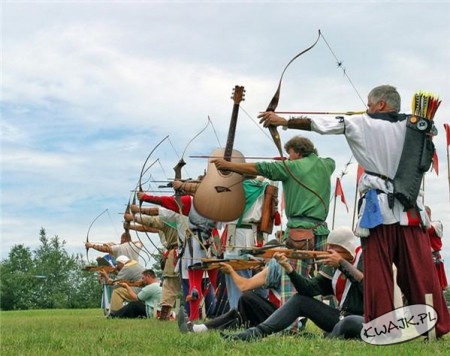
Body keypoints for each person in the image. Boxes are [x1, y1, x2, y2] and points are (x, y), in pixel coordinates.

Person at [258, 84, 450, 338]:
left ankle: (383, 329)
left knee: (379, 273)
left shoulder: (362, 123)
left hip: (379, 212)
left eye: (370, 103)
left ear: (381, 104)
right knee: (419, 270)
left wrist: (284, 121)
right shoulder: (415, 125)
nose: (367, 107)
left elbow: (323, 124)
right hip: (410, 209)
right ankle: (433, 328)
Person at [212, 135, 335, 330]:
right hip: (322, 230)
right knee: (327, 279)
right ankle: (334, 326)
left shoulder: (290, 168)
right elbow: (326, 162)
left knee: (290, 278)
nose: (288, 157)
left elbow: (261, 168)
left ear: (298, 152)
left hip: (299, 234)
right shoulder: (327, 165)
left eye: (290, 154)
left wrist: (229, 165)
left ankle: (290, 327)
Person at [221, 226, 364, 341]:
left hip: (362, 320)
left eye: (335, 249)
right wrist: (289, 269)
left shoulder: (363, 258)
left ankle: (329, 338)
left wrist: (342, 263)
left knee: (349, 322)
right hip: (339, 317)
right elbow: (309, 289)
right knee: (299, 300)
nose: (330, 253)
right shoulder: (334, 265)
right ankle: (255, 333)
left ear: (347, 248)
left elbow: (366, 287)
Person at [173, 176, 281, 310]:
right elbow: (277, 220)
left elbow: (205, 190)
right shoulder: (262, 187)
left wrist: (180, 186)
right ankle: (253, 313)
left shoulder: (238, 189)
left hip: (236, 237)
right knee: (254, 277)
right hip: (253, 237)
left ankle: (237, 314)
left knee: (235, 278)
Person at [177, 241, 283, 333]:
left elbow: (244, 286)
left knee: (247, 299)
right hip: (281, 315)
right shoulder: (281, 265)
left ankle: (197, 328)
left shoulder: (276, 265)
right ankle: (198, 328)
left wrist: (231, 272)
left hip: (280, 317)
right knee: (239, 313)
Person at [125, 214, 181, 321]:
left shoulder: (170, 219)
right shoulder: (167, 222)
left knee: (170, 285)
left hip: (177, 253)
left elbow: (149, 224)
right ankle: (166, 316)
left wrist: (132, 218)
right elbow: (146, 227)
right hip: (174, 253)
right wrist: (131, 226)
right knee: (172, 285)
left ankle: (194, 314)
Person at [425, 206, 448, 290]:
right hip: (424, 259)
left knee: (436, 288)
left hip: (434, 258)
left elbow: (428, 229)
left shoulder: (436, 224)